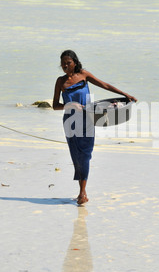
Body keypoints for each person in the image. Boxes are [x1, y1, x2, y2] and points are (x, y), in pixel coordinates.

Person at [53, 50, 137, 205]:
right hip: (70, 121)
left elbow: (104, 85)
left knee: (85, 155)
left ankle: (82, 192)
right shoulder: (60, 81)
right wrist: (69, 105)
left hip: (88, 118)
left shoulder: (84, 75)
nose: (65, 65)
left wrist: (125, 95)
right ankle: (82, 192)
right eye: (63, 63)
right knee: (76, 155)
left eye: (68, 62)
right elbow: (55, 106)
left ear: (75, 63)